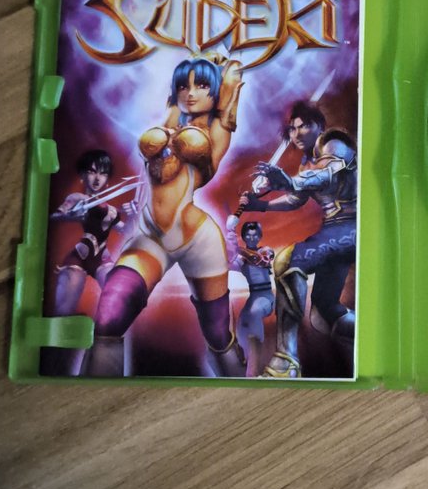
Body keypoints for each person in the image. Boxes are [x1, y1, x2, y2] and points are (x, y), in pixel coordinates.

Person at [83, 55, 245, 377]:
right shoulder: (171, 121)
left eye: (201, 86)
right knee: (111, 311)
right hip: (151, 236)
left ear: (215, 92)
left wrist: (227, 76)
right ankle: (94, 391)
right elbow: (173, 107)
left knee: (216, 332)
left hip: (198, 239)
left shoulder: (217, 130)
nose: (191, 93)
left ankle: (237, 377)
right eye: (184, 86)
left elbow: (228, 102)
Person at [238, 100, 357, 378]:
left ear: (319, 126)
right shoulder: (306, 164)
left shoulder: (333, 143)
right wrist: (260, 205)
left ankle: (285, 363)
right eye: (292, 129)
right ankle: (367, 338)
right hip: (333, 232)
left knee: (287, 261)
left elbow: (325, 175)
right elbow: (295, 200)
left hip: (352, 226)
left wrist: (289, 181)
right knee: (323, 314)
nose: (297, 133)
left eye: (304, 126)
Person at [51, 149, 129, 316]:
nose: (97, 178)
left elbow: (126, 230)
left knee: (118, 301)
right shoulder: (77, 198)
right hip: (80, 255)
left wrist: (135, 215)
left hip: (102, 259)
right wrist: (71, 215)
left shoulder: (111, 211)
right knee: (63, 310)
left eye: (103, 173)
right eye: (92, 172)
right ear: (83, 175)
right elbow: (55, 216)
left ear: (107, 179)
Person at [228, 221, 275, 378]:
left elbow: (260, 260)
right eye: (248, 235)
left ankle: (254, 368)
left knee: (254, 313)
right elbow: (231, 265)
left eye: (255, 235)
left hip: (266, 298)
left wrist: (237, 248)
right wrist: (230, 236)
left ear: (260, 236)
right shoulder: (241, 257)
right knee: (241, 326)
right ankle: (248, 360)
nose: (251, 238)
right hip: (253, 297)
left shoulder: (265, 251)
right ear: (244, 237)